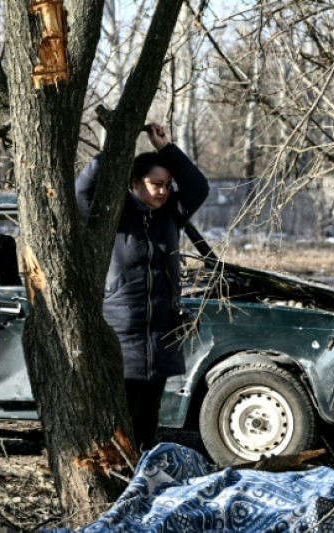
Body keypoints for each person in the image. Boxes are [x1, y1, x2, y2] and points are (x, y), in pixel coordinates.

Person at [75, 123, 210, 452]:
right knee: (120, 421)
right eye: (155, 184)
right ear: (135, 183)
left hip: (161, 334)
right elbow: (81, 193)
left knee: (149, 420)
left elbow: (198, 188)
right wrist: (111, 151)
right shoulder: (113, 215)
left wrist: (167, 149)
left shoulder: (170, 216)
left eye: (166, 185)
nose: (163, 192)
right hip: (121, 334)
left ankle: (143, 479)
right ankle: (119, 478)